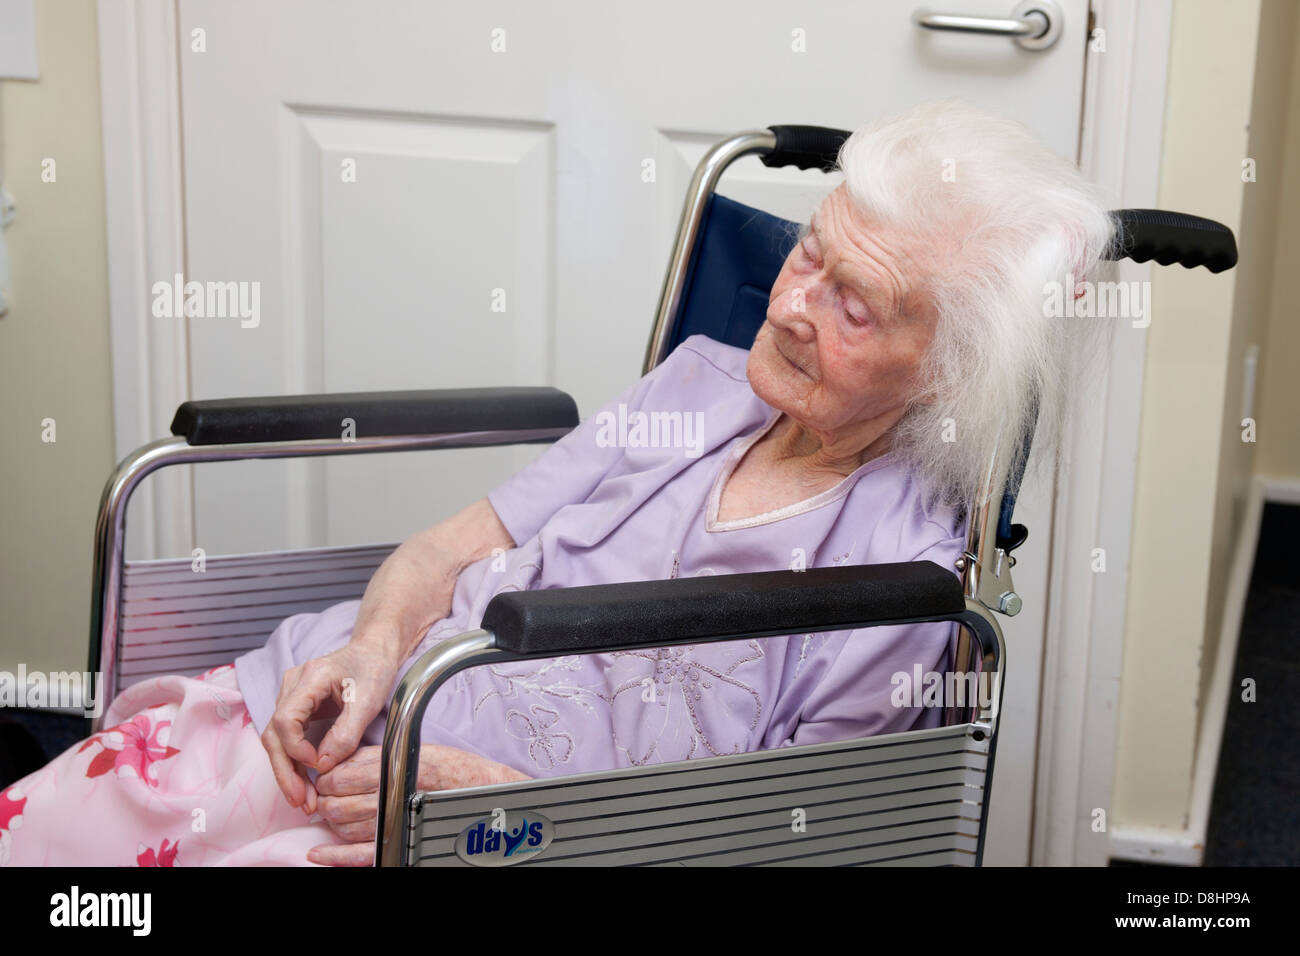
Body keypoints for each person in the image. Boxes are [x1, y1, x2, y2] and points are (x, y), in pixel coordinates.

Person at [0, 98, 1115, 867]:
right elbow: (447, 551)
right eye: (807, 252)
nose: (788, 304)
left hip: (506, 833)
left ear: (945, 371)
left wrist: (489, 795)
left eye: (853, 302)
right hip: (371, 707)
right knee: (94, 821)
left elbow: (784, 833)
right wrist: (368, 651)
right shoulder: (699, 383)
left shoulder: (895, 587)